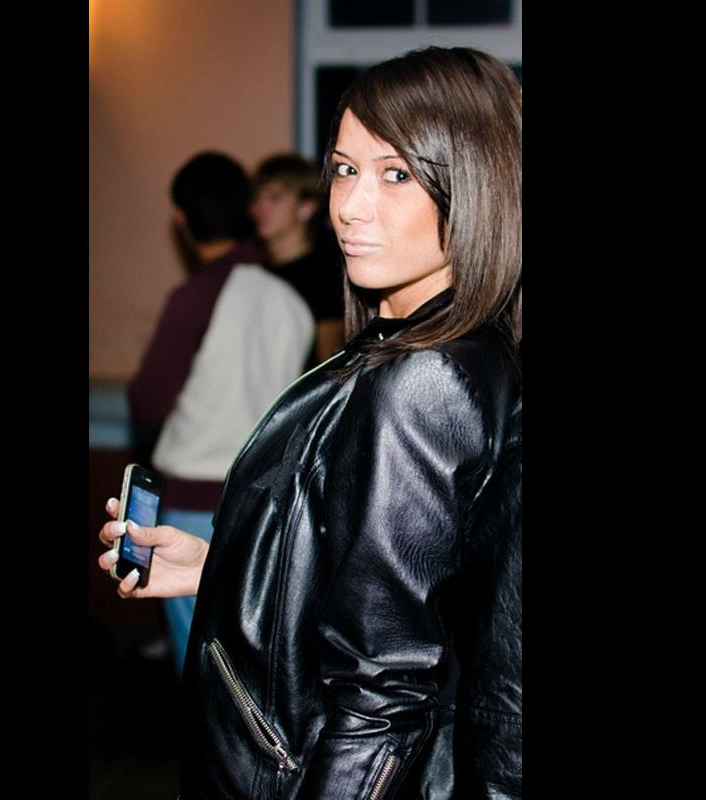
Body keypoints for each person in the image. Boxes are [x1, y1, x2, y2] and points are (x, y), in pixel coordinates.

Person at [100, 45, 522, 798]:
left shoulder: (424, 379)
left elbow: (382, 700)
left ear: (473, 185)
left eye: (396, 174)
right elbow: (409, 593)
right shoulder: (439, 349)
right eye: (344, 169)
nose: (350, 205)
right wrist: (220, 569)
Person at [125, 151, 314, 679]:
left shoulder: (195, 297)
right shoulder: (290, 301)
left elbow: (147, 400)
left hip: (191, 500)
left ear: (181, 219)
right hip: (262, 501)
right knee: (250, 664)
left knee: (200, 667)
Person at [250, 153, 345, 366]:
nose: (260, 207)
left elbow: (326, 364)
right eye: (257, 197)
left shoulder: (324, 276)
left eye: (274, 197)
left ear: (307, 207)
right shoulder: (255, 273)